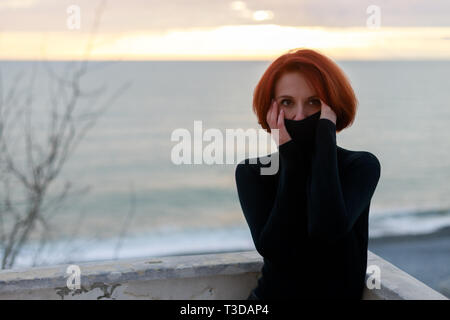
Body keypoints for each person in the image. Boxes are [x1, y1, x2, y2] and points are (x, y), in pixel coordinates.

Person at [235, 48, 381, 300]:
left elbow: (327, 230)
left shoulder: (360, 166)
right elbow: (276, 250)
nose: (299, 116)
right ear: (271, 109)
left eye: (314, 102)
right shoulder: (252, 172)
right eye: (287, 103)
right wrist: (291, 161)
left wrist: (324, 139)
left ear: (331, 109)